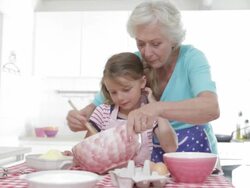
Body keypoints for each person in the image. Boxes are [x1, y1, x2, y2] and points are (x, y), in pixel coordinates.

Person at [67, 0, 220, 161]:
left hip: (193, 151)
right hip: (151, 154)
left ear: (173, 39)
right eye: (140, 43)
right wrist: (78, 117)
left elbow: (211, 108)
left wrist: (156, 108)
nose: (146, 53)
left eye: (156, 44)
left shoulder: (191, 58)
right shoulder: (136, 61)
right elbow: (98, 105)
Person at [72, 52, 177, 165]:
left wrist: (155, 107)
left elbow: (171, 148)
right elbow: (87, 151)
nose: (120, 98)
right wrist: (76, 157)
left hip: (140, 177)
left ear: (142, 82)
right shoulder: (103, 112)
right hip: (107, 177)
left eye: (126, 89)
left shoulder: (149, 115)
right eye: (113, 92)